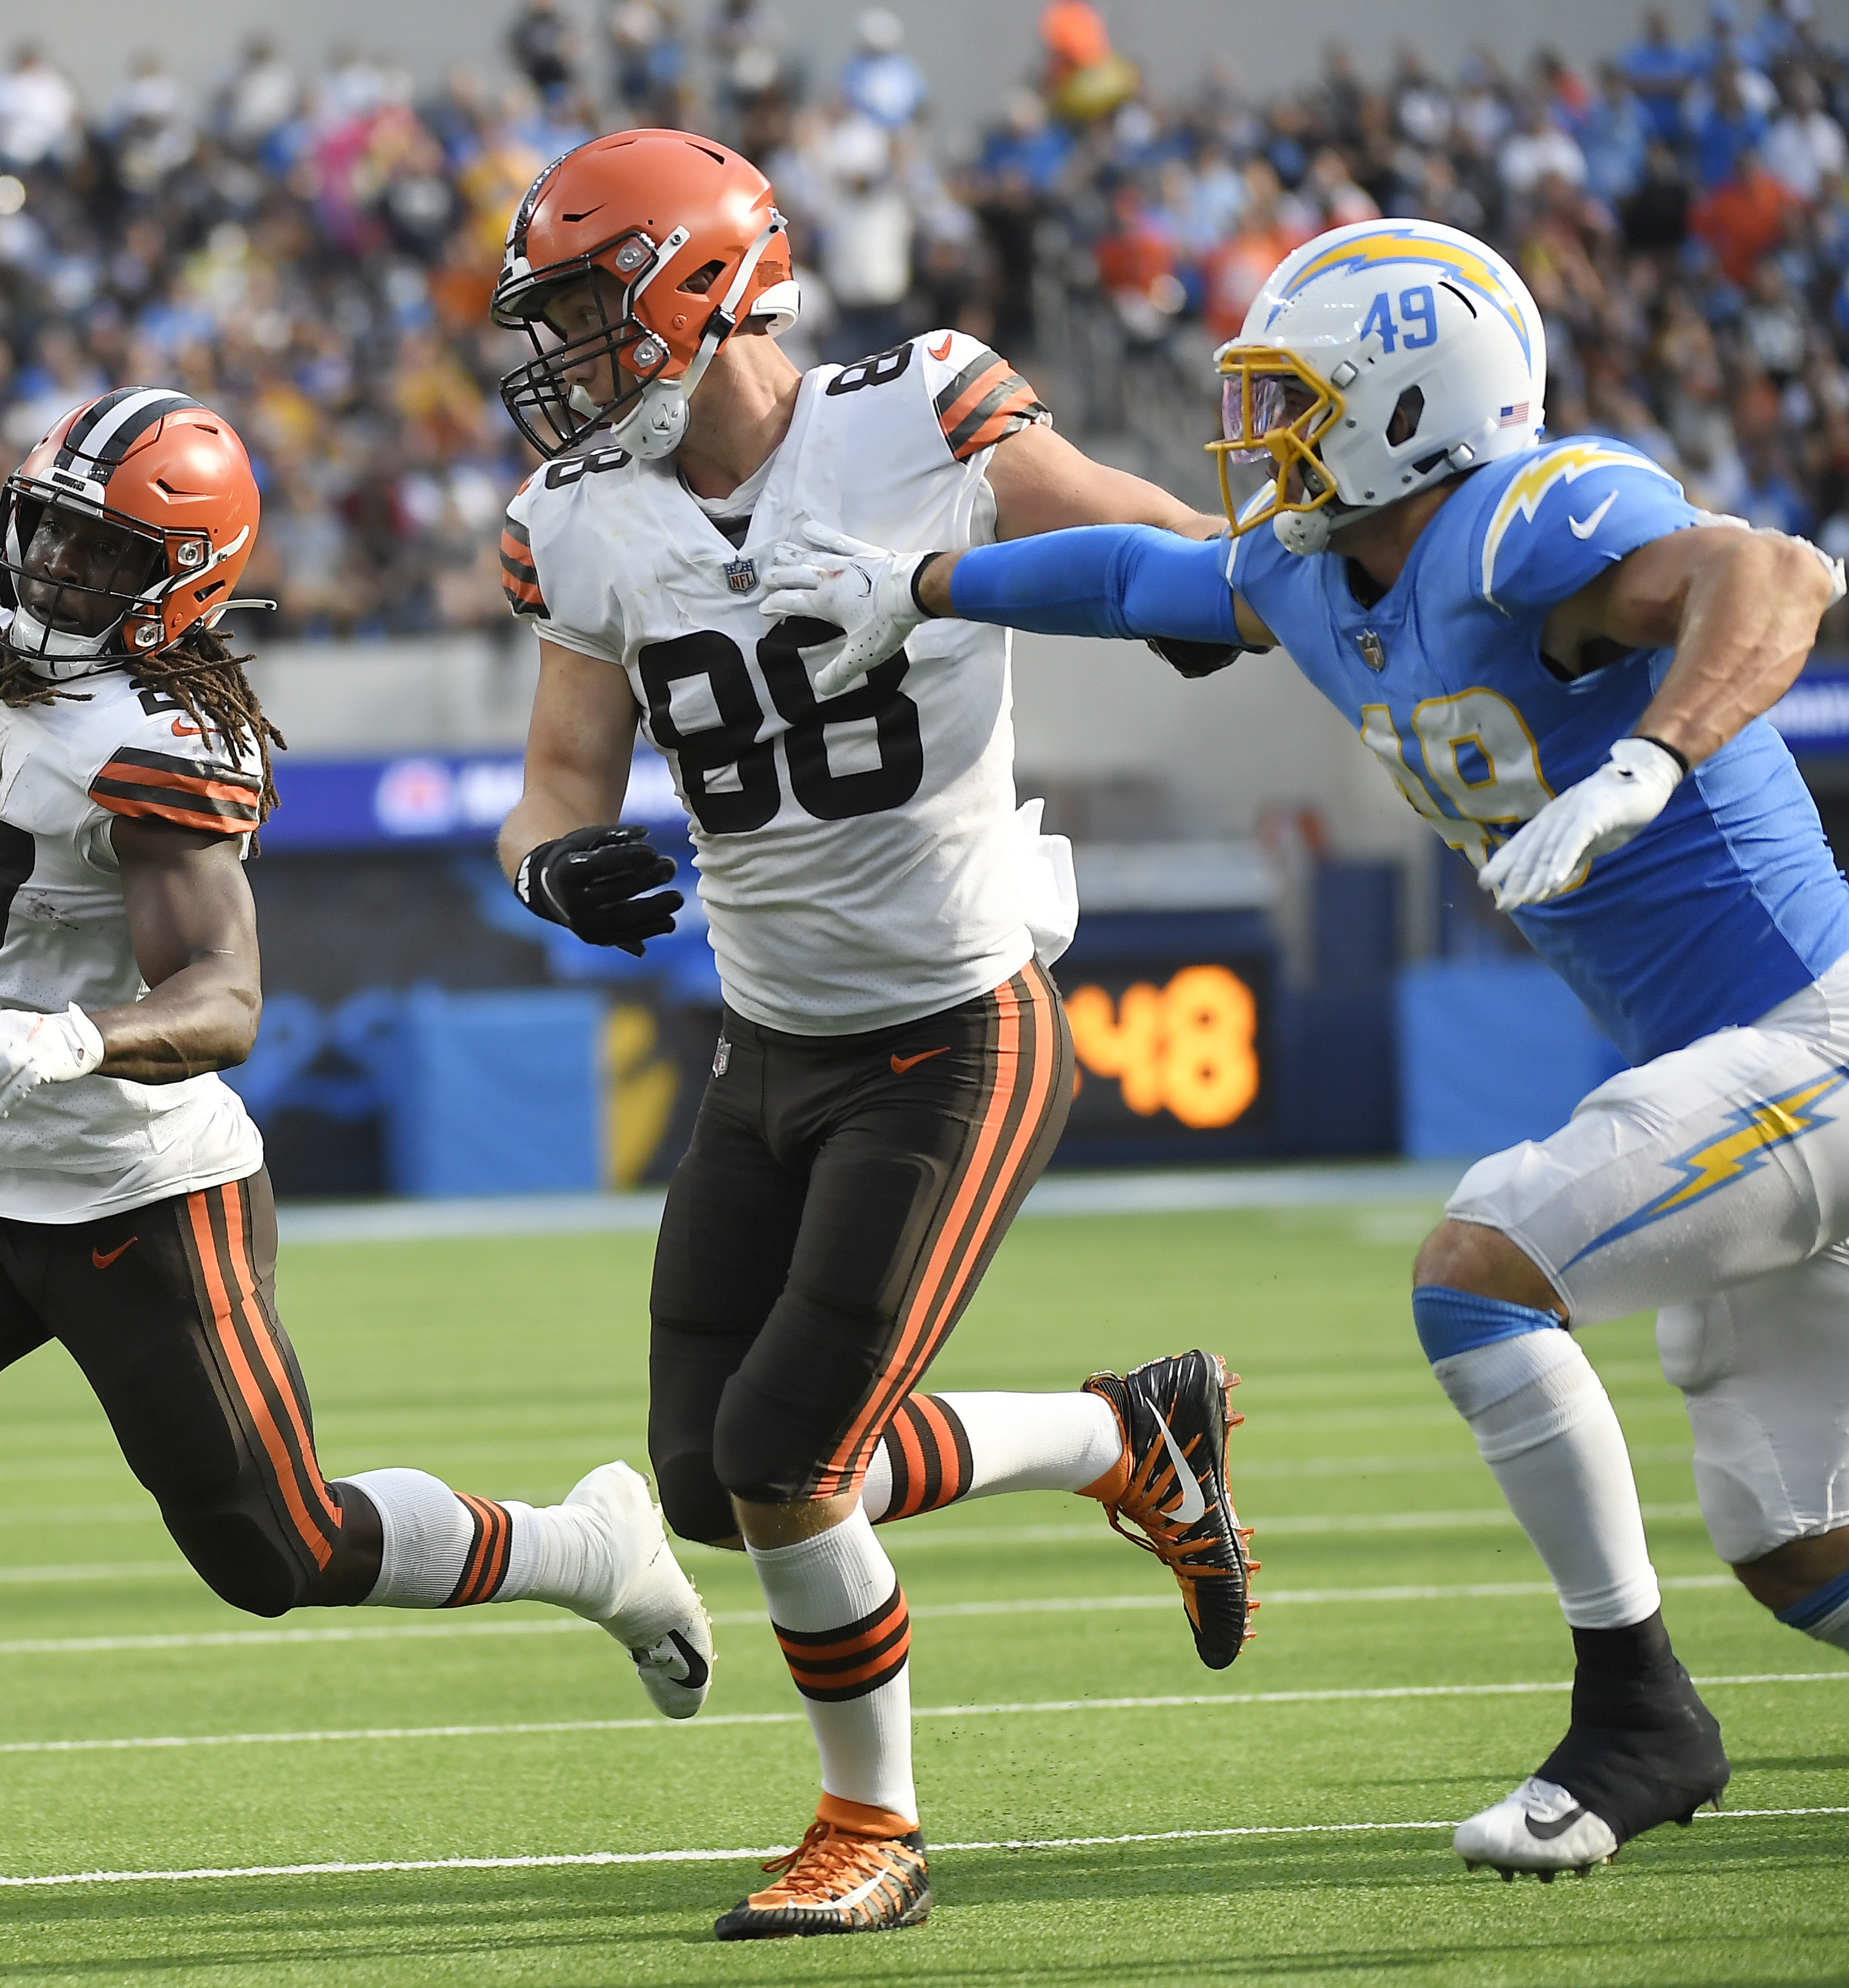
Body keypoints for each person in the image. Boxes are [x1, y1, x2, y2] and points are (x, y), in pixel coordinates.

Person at [0, 389, 716, 1924]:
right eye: (48, 531)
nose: (55, 574)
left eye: (102, 558)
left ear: (184, 579)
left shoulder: (165, 740)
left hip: (138, 1190)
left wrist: (83, 1035)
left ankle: (588, 1548)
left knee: (276, 1546)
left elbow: (225, 994)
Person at [792, 216, 1849, 1880]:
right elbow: (1134, 575)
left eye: (1290, 398)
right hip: (1723, 1066)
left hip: (1812, 1034)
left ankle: (1635, 1717)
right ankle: (1655, 1701)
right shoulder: (1307, 567)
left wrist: (1647, 760)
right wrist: (919, 585)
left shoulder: (1521, 518)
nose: (1256, 435)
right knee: (1795, 1543)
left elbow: (1774, 572)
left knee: (1478, 1267)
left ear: (1410, 399)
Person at [486, 129, 1255, 1942]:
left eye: (589, 310)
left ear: (700, 282)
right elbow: (548, 786)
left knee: (779, 1462)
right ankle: (1124, 1434)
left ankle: (871, 1825)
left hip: (951, 1032)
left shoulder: (916, 410)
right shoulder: (581, 524)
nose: (565, 359)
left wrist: (1190, 597)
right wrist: (552, 871)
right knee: (707, 1473)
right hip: (764, 1050)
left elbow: (1158, 546)